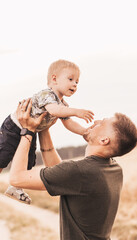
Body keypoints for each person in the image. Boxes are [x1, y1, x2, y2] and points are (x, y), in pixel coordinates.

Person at [9, 99, 137, 240]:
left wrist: (28, 131)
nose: (95, 122)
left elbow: (16, 178)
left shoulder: (81, 172)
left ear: (104, 140)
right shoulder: (113, 169)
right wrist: (44, 129)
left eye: (101, 123)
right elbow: (60, 173)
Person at [0, 59, 94, 204]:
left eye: (77, 82)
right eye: (71, 79)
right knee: (3, 156)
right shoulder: (47, 95)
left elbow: (68, 122)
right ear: (54, 79)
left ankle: (15, 187)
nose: (75, 84)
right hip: (14, 127)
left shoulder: (63, 104)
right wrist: (76, 111)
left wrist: (84, 132)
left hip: (30, 131)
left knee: (29, 162)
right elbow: (54, 110)